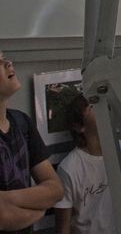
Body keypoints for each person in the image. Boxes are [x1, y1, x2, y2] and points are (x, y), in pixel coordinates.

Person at [0, 51, 63, 233]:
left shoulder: (22, 122)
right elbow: (4, 217)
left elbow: (55, 188)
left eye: (4, 58)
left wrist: (6, 200)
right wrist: (37, 203)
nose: (8, 63)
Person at [54, 95, 116, 234]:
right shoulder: (69, 168)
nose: (103, 108)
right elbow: (63, 227)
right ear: (79, 126)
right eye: (92, 107)